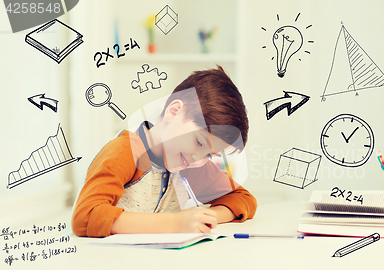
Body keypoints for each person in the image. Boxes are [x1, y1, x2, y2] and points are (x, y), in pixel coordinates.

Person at [72, 66, 257, 237]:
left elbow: (244, 199)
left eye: (210, 155)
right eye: (199, 142)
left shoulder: (189, 164)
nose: (199, 160)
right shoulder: (125, 151)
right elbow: (85, 216)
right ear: (174, 111)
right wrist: (176, 223)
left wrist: (206, 217)